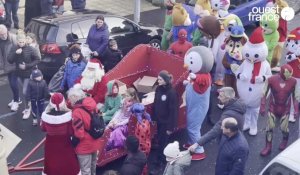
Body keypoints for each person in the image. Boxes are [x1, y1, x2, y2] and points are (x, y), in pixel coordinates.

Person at [260, 64, 299, 156]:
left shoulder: (293, 81)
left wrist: (296, 110)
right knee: (269, 128)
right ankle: (268, 147)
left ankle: (284, 141)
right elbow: (263, 93)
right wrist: (262, 106)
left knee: (284, 128)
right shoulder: (271, 79)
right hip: (273, 107)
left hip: (285, 109)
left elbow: (296, 96)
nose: (288, 78)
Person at [41, 92, 80, 175]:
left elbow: (43, 128)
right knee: (67, 163)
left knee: (52, 163)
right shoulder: (68, 116)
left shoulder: (45, 116)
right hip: (65, 144)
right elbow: (71, 131)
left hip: (50, 145)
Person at [68, 86, 102, 175]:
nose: (69, 101)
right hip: (95, 142)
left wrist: (72, 142)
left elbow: (80, 134)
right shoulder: (93, 105)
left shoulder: (77, 112)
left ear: (74, 97)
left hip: (84, 146)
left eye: (70, 98)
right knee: (93, 166)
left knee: (85, 170)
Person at [7, 30, 40, 119]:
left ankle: (27, 109)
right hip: (18, 73)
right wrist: (15, 53)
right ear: (17, 41)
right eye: (19, 42)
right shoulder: (14, 48)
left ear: (25, 41)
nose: (21, 43)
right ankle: (32, 101)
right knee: (26, 91)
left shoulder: (30, 49)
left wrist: (27, 66)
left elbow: (37, 59)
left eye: (23, 42)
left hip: (28, 73)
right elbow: (9, 60)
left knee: (25, 92)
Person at [152, 70, 179, 167]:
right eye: (158, 79)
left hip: (166, 123)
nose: (158, 81)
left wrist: (170, 128)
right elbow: (155, 103)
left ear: (165, 80)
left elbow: (173, 112)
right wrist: (153, 117)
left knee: (163, 141)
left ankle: (160, 162)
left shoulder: (171, 93)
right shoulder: (158, 89)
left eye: (160, 79)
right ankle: (162, 157)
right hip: (159, 120)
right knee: (160, 139)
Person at [0, 25, 19, 112]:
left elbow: (21, 50)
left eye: (4, 34)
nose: (3, 36)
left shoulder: (14, 38)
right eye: (1, 35)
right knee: (12, 84)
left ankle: (16, 101)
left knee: (13, 83)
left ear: (7, 31)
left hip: (14, 66)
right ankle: (16, 98)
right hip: (6, 66)